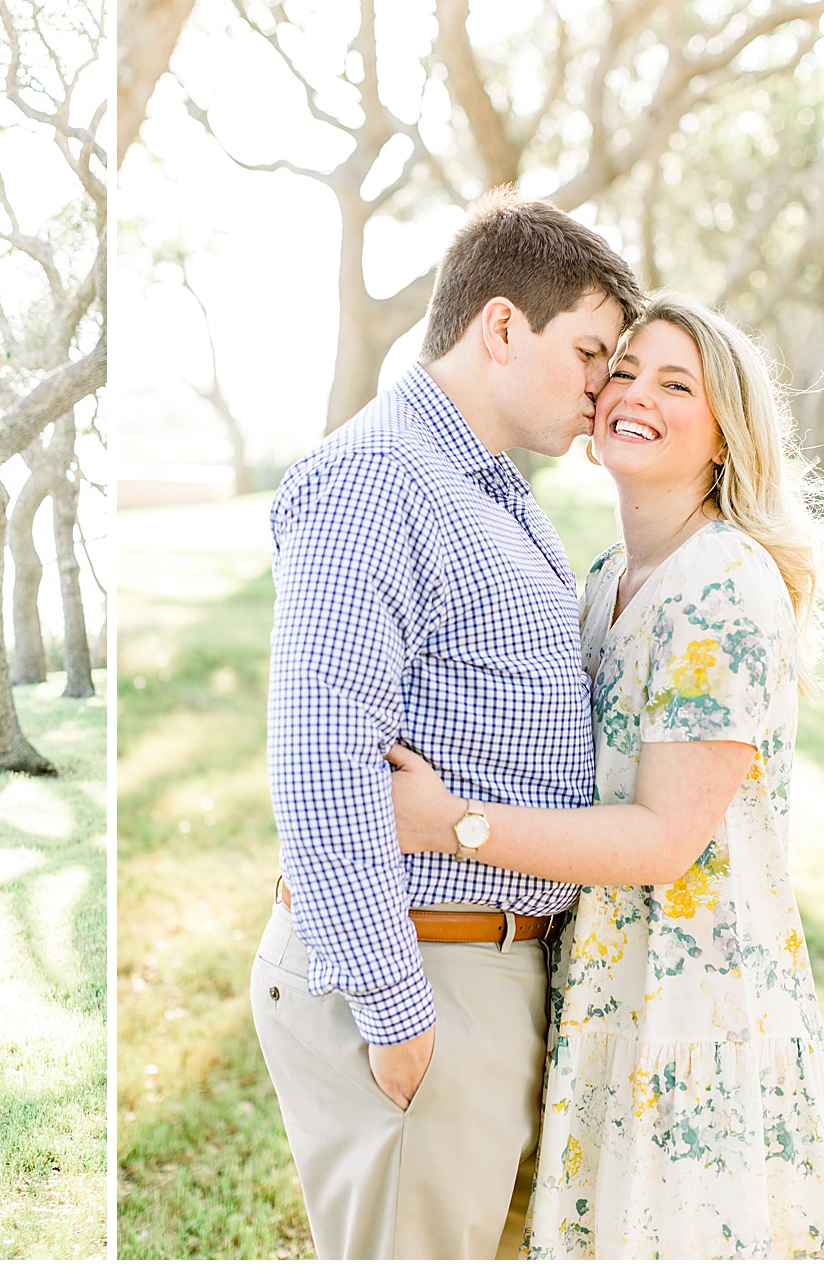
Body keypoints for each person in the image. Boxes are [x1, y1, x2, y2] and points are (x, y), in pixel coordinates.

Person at [387, 291, 824, 1258]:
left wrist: (451, 821)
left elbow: (664, 839)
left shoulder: (722, 582)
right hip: (608, 978)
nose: (634, 395)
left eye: (675, 383)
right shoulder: (606, 577)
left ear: (723, 434)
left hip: (695, 996)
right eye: (621, 370)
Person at [249, 187, 645, 1258]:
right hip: (420, 972)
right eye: (592, 353)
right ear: (502, 325)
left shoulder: (483, 484)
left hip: (478, 969)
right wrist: (395, 1013)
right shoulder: (382, 476)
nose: (605, 389)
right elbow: (323, 757)